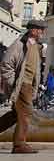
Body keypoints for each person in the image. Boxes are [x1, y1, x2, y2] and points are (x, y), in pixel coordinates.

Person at [0, 19, 47, 154]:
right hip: (22, 84)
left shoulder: (36, 46)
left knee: (16, 114)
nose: (42, 32)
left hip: (29, 86)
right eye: (40, 29)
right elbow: (6, 64)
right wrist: (13, 82)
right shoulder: (19, 44)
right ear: (33, 30)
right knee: (26, 114)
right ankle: (19, 145)